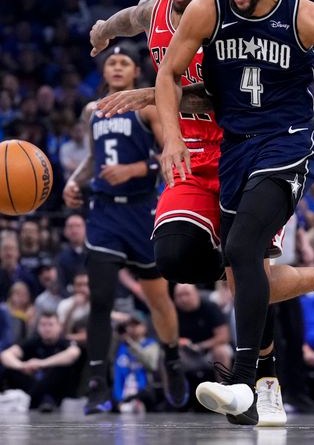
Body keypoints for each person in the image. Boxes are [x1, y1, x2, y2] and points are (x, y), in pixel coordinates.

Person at [91, 0, 314, 426]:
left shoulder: (302, 14)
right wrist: (104, 32)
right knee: (202, 263)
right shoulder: (196, 9)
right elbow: (143, 34)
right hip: (219, 154)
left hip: (281, 142)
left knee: (243, 252)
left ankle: (247, 381)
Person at [61, 46, 188, 415]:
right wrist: (74, 181)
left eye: (123, 62)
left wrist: (134, 170)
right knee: (100, 298)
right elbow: (92, 158)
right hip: (103, 213)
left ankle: (173, 361)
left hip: (141, 211)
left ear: (135, 71)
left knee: (158, 299)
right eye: (111, 62)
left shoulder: (148, 106)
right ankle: (98, 384)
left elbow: (171, 153)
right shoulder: (93, 110)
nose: (116, 67)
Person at [0, 311, 82, 412]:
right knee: (11, 368)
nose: (46, 329)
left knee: (61, 367)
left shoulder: (64, 342)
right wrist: (22, 366)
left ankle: (36, 398)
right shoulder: (33, 341)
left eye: (50, 325)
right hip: (33, 383)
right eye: (43, 325)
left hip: (58, 391)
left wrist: (42, 363)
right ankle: (43, 399)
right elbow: (5, 355)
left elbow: (73, 354)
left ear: (59, 326)